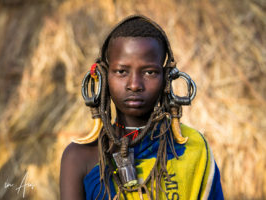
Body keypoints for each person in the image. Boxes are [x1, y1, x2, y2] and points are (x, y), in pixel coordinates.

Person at [60, 15, 223, 200]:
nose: (135, 84)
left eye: (149, 72)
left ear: (167, 78)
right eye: (121, 71)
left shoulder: (192, 148)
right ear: (104, 76)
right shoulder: (79, 157)